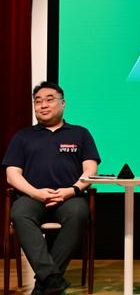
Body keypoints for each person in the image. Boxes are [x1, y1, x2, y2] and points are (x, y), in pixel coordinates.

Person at [2, 81, 100, 295]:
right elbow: (12, 174)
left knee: (78, 213)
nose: (43, 105)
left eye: (49, 100)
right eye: (38, 101)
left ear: (63, 103)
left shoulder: (80, 133)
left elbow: (91, 170)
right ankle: (52, 279)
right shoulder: (23, 136)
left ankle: (45, 282)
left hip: (69, 197)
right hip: (32, 197)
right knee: (19, 213)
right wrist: (36, 193)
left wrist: (71, 190)